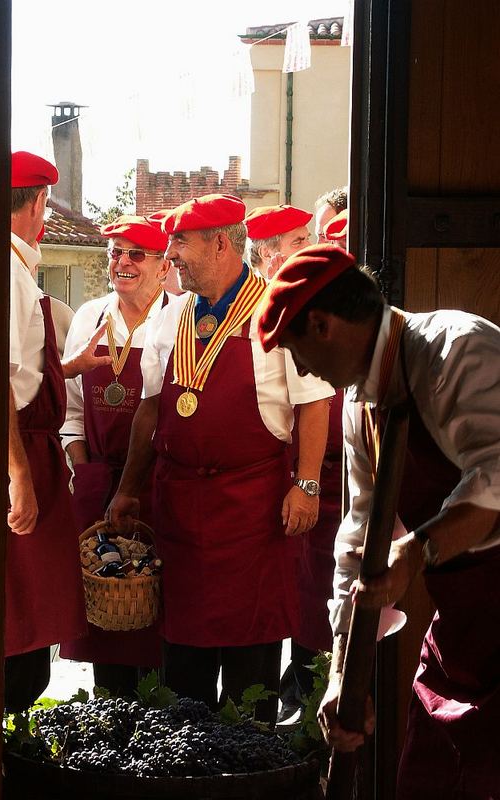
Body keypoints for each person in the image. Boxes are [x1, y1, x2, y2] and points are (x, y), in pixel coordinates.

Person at [257, 243, 500, 796]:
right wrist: (344, 674)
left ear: (321, 324)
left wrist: (415, 551)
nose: (301, 370)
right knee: (424, 776)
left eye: (296, 352)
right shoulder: (360, 408)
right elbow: (359, 543)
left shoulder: (456, 353)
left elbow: (496, 479)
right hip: (464, 631)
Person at [106, 194, 334, 727]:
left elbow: (313, 403)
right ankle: (187, 766)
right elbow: (149, 412)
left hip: (254, 510)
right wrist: (128, 487)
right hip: (180, 508)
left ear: (221, 243)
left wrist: (306, 485)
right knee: (182, 667)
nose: (172, 254)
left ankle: (250, 767)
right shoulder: (171, 319)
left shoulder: (279, 310)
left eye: (180, 242)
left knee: (249, 666)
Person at [6, 151, 110, 712]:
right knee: (19, 620)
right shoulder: (10, 270)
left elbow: (20, 370)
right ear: (40, 203)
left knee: (30, 615)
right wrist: (19, 475)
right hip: (21, 456)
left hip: (29, 452)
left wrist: (66, 370)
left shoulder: (17, 268)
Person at [60, 214, 172, 695]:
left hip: (158, 486)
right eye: (116, 253)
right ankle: (109, 718)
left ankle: (162, 729)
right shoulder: (89, 317)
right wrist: (84, 469)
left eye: (136, 254)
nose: (122, 263)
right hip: (99, 479)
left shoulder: (182, 316)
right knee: (103, 616)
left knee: (160, 619)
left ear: (162, 265)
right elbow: (71, 410)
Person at [246, 203, 345, 725]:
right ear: (267, 255)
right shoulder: (271, 311)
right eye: (298, 240)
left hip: (343, 475)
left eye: (309, 236)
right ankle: (302, 695)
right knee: (302, 594)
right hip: (299, 474)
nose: (311, 245)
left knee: (332, 590)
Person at [245, 204, 313, 280]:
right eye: (297, 242)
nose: (310, 247)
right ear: (266, 253)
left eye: (308, 238)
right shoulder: (249, 291)